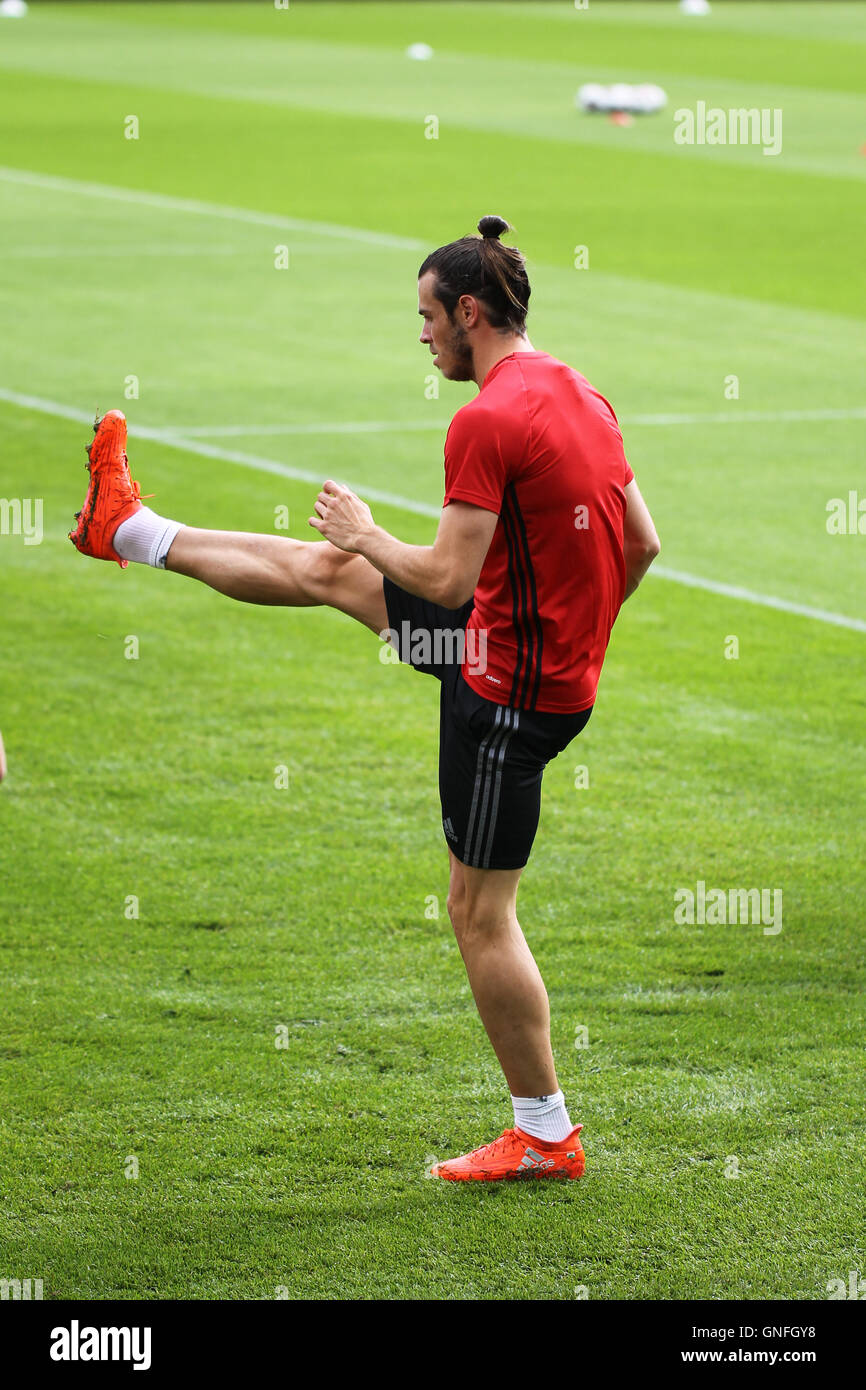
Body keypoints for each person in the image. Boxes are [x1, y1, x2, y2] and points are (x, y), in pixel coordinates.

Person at [70, 215, 660, 1181]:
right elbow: (641, 544)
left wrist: (366, 528)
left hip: (504, 697)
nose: (421, 335)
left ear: (470, 311)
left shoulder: (485, 421)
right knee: (327, 575)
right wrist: (573, 629)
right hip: (510, 652)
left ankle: (546, 1134)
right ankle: (127, 528)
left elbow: (436, 573)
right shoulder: (576, 390)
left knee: (478, 911)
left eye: (427, 316)